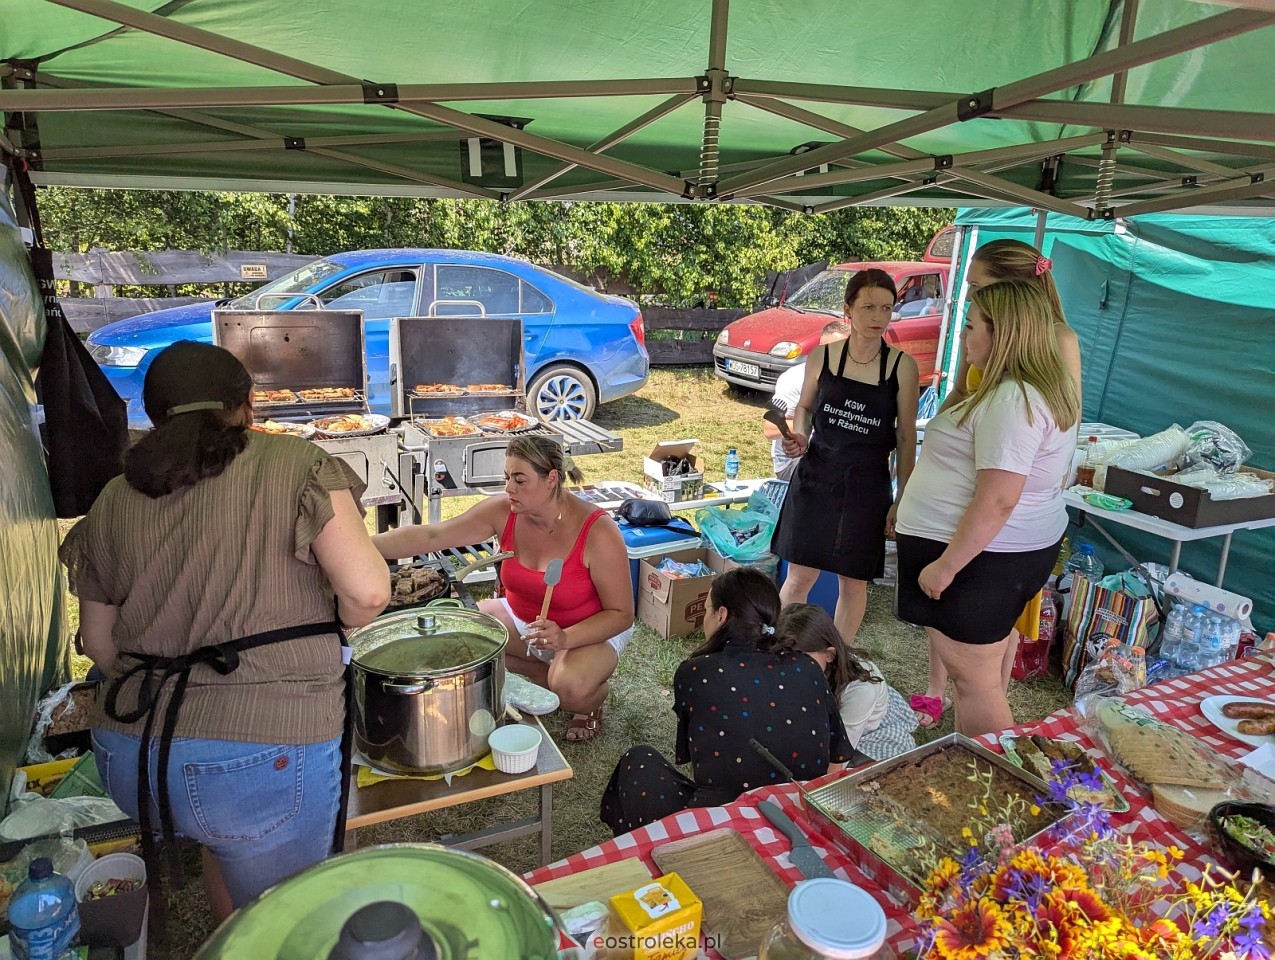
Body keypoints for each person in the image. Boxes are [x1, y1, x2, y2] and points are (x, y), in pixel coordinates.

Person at [59, 341, 391, 920]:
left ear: (155, 416)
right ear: (248, 406)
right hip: (259, 761)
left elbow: (99, 644)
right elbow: (367, 593)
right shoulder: (297, 465)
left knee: (226, 841)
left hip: (129, 756)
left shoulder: (114, 497)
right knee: (292, 917)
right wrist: (318, 632)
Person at [894, 279, 1080, 738]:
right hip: (990, 559)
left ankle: (1003, 795)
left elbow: (999, 498)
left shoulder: (1013, 399)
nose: (962, 336)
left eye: (971, 326)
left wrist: (945, 567)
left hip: (977, 563)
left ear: (1004, 335)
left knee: (974, 683)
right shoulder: (1017, 391)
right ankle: (985, 777)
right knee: (975, 678)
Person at [372, 435, 633, 742]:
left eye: (519, 480)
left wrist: (565, 638)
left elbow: (621, 614)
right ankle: (542, 673)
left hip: (587, 630)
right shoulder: (504, 511)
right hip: (523, 619)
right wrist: (362, 547)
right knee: (453, 638)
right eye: (507, 477)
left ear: (551, 479)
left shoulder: (597, 531)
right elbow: (432, 536)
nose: (509, 488)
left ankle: (588, 703)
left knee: (570, 687)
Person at [599, 569, 854, 834]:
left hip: (721, 825)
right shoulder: (809, 666)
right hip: (795, 819)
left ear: (721, 616)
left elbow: (690, 756)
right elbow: (839, 753)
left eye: (707, 610)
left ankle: (636, 850)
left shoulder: (696, 672)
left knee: (638, 761)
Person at [771, 269, 920, 645]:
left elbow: (905, 436)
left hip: (868, 485)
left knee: (853, 582)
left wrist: (903, 498)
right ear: (848, 309)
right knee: (799, 577)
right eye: (868, 307)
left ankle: (840, 656)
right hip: (816, 477)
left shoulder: (902, 366)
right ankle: (783, 648)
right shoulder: (822, 357)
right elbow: (804, 408)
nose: (877, 317)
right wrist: (800, 435)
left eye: (886, 308)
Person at [771, 603, 917, 760]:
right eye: (782, 659)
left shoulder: (860, 691)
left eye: (800, 661)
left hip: (863, 735)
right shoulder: (804, 669)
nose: (789, 670)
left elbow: (840, 755)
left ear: (829, 655)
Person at [764, 320, 851, 481]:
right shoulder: (795, 377)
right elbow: (770, 429)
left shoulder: (853, 379)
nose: (836, 356)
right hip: (795, 463)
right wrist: (820, 423)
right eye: (829, 349)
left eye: (844, 351)